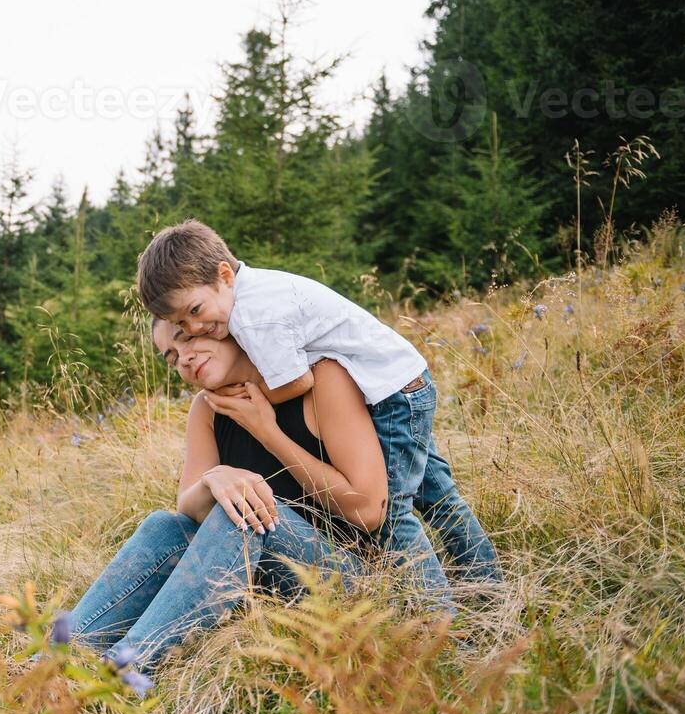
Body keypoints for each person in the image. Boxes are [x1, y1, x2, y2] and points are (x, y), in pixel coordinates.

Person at [135, 219, 503, 595]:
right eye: (181, 325)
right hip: (402, 380)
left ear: (225, 275)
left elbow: (299, 382)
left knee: (391, 514)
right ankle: (489, 588)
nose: (195, 329)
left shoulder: (255, 316)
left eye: (194, 312)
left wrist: (259, 407)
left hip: (391, 394)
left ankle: (438, 610)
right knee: (438, 495)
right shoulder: (253, 293)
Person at [64, 322, 383, 680]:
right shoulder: (208, 408)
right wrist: (216, 478)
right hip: (260, 583)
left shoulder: (320, 378)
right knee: (164, 525)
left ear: (222, 325)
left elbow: (368, 511)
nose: (183, 358)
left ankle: (120, 677)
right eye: (171, 357)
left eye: (186, 336)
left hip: (345, 581)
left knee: (240, 511)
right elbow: (189, 508)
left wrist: (267, 432)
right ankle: (49, 663)